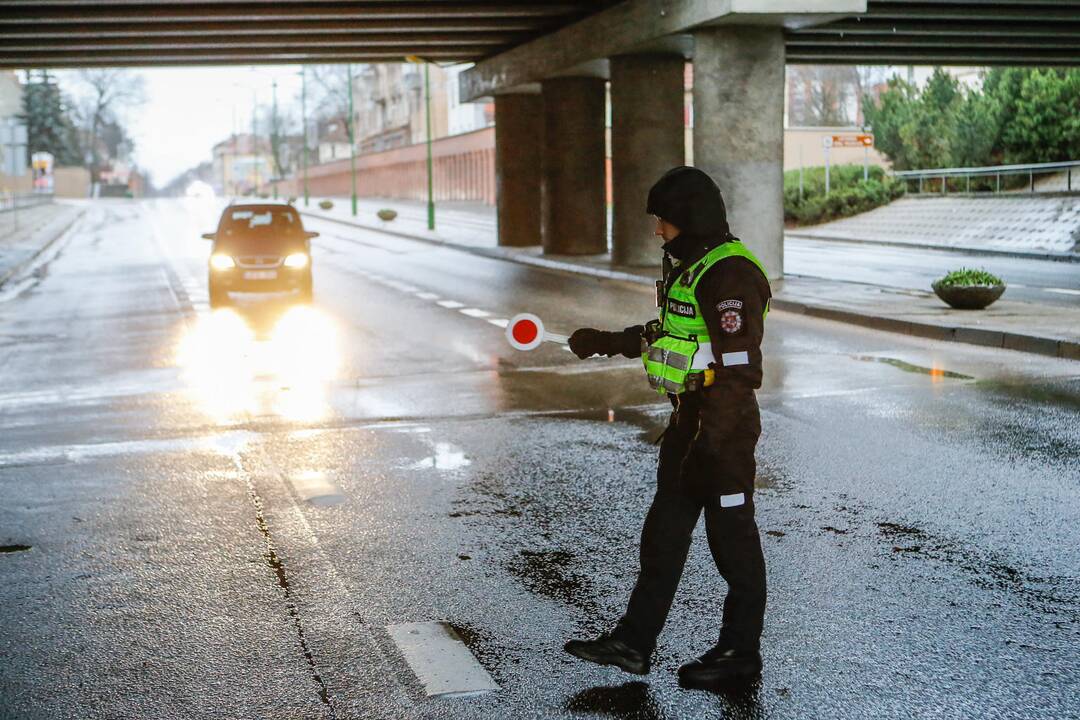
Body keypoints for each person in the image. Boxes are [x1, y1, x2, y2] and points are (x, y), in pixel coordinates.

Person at [563, 166, 772, 690]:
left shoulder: (731, 275)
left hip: (722, 431)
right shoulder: (693, 267)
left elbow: (740, 370)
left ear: (689, 219)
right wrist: (606, 342)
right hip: (690, 423)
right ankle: (633, 643)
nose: (658, 231)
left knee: (733, 543)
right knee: (663, 537)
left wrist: (711, 443)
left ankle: (739, 655)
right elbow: (671, 334)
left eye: (664, 221)